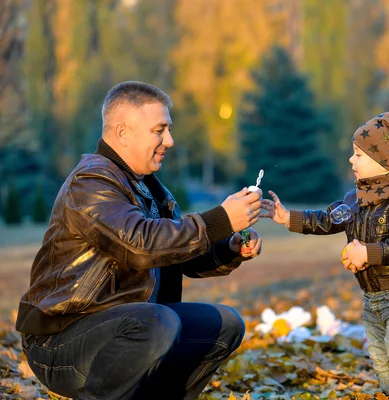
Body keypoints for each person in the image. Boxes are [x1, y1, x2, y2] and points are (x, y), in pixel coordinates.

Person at [15, 81, 264, 400]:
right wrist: (221, 219)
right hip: (59, 339)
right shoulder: (91, 182)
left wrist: (227, 247)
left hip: (126, 325)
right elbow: (140, 246)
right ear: (122, 133)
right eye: (159, 130)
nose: (170, 141)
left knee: (224, 324)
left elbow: (173, 251)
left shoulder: (148, 188)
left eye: (168, 130)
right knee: (157, 323)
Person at [261, 110, 389, 399]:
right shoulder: (354, 199)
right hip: (373, 295)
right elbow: (327, 219)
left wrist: (367, 252)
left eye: (358, 154)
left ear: (384, 161)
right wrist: (287, 218)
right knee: (381, 359)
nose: (351, 160)